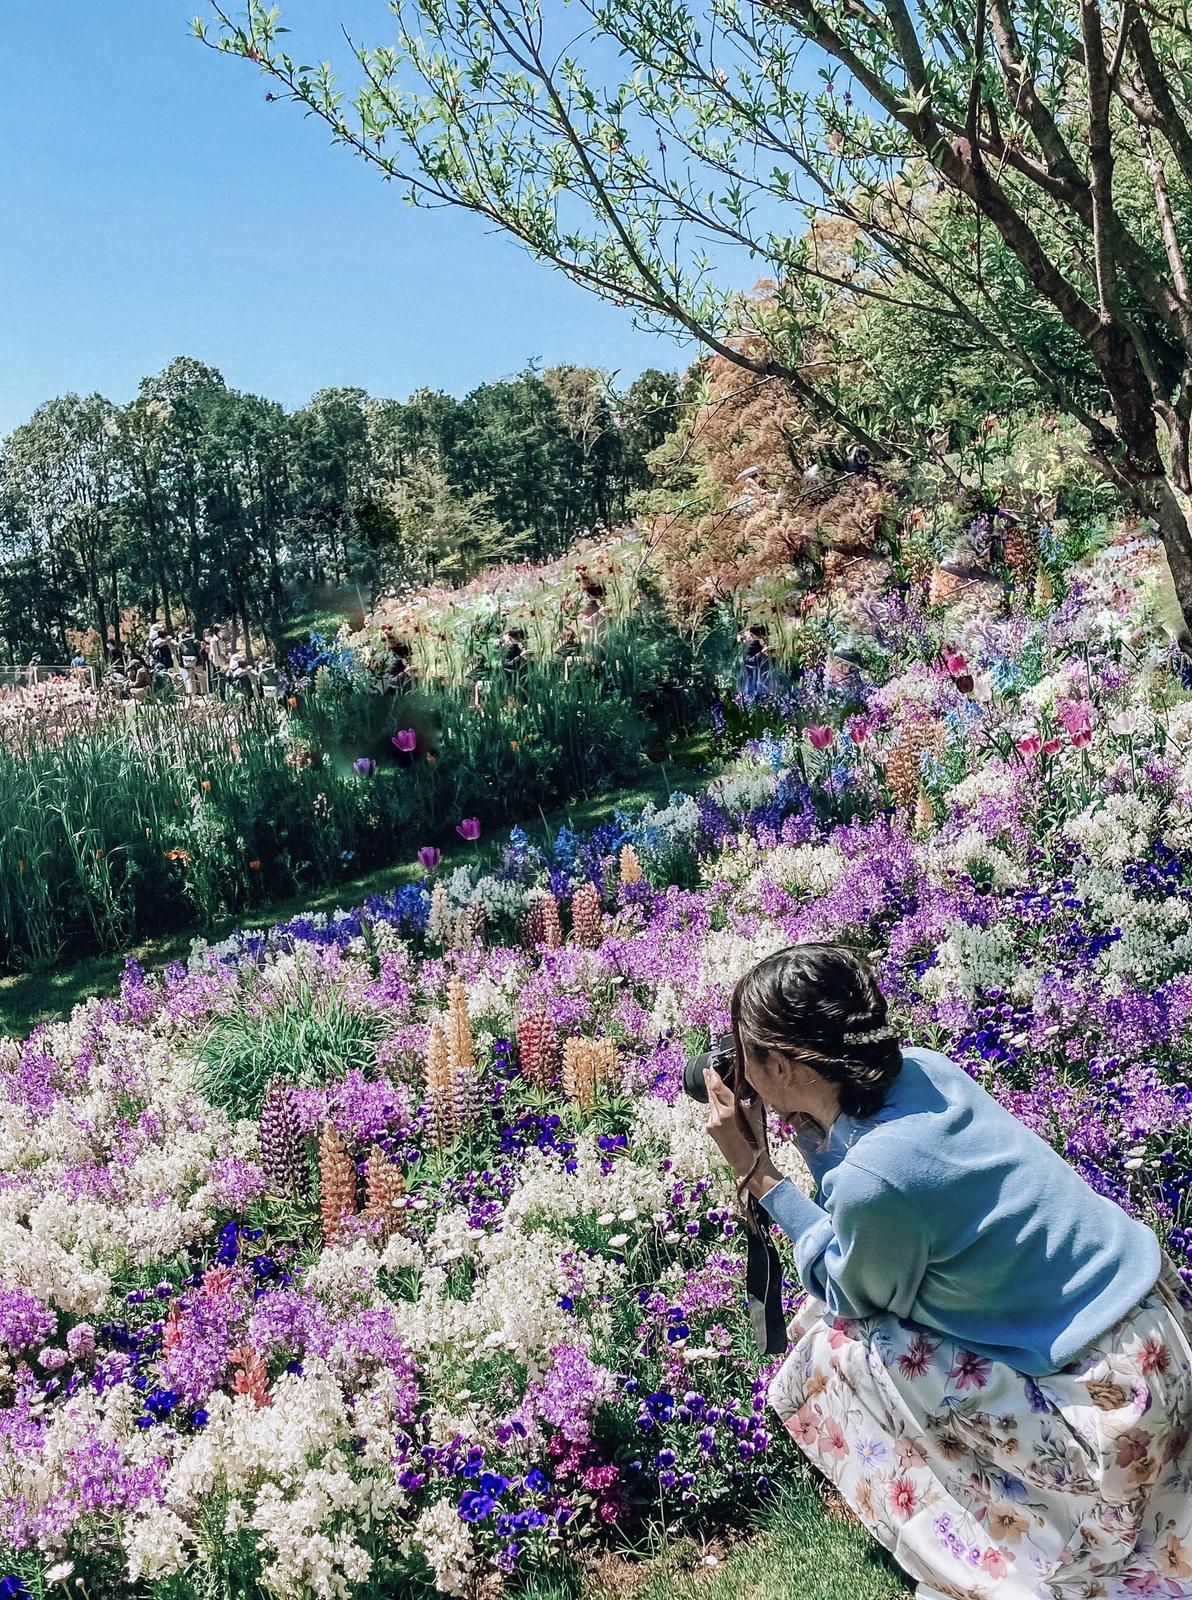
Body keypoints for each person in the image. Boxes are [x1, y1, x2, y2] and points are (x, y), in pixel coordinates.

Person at [703, 942, 1192, 1600]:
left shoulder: (874, 1177)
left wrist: (758, 1176)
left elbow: (853, 1290)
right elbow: (866, 1191)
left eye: (747, 1055)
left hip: (1112, 1413)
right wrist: (800, 1117)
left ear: (784, 1065)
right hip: (1166, 1342)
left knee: (837, 1347)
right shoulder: (922, 1073)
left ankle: (1001, 1543)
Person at [740, 623, 772, 699]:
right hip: (753, 678)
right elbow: (748, 661)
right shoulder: (748, 646)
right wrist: (762, 653)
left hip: (763, 678)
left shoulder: (758, 644)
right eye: (759, 635)